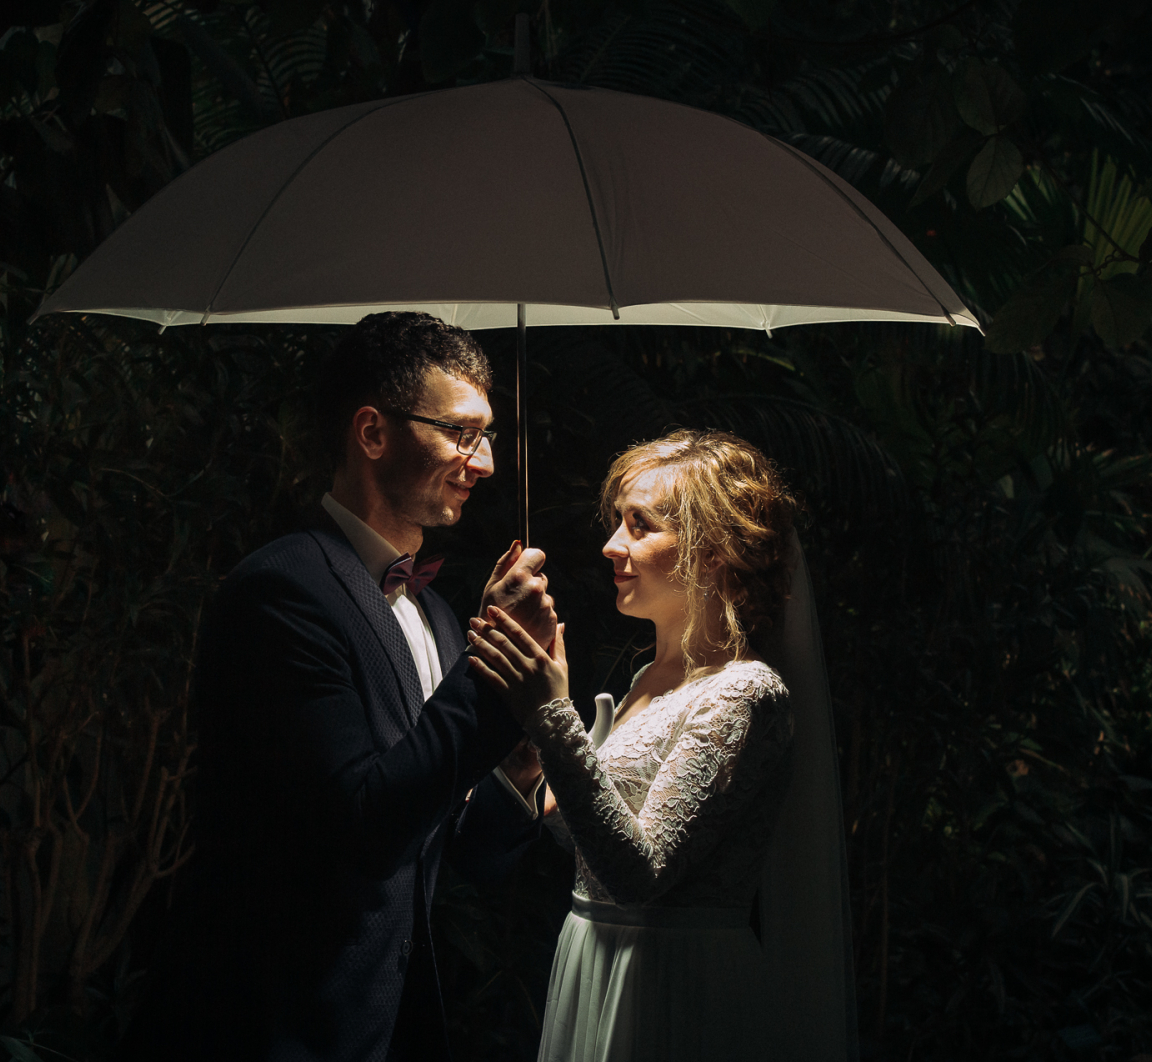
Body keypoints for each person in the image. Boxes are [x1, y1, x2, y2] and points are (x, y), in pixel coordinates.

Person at [121, 312, 557, 1062]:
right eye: (460, 433)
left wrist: (523, 755)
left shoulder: (442, 619)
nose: (482, 462)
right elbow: (362, 823)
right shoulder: (282, 592)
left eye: (486, 437)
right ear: (373, 432)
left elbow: (465, 856)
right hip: (273, 1029)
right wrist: (492, 673)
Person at [466, 428, 855, 1062]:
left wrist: (550, 715)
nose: (611, 545)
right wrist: (533, 740)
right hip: (596, 962)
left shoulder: (746, 694)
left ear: (715, 550)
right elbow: (590, 842)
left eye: (639, 525)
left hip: (674, 987)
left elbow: (640, 874)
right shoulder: (647, 677)